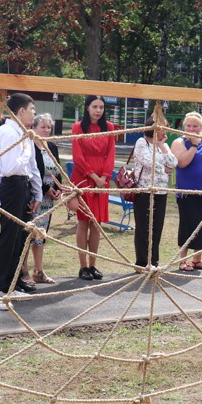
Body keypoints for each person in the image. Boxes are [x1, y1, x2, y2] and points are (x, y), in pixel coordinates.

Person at [0, 94, 41, 308]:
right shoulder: (7, 132)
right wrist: (26, 151)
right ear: (21, 111)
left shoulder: (24, 133)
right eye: (32, 109)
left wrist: (37, 194)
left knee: (20, 239)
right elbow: (8, 168)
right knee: (8, 239)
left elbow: (31, 167)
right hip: (12, 185)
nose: (34, 113)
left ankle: (9, 286)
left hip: (23, 185)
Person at [71, 96, 117, 280]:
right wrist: (93, 176)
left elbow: (111, 154)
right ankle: (83, 267)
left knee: (96, 224)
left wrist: (104, 177)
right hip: (83, 178)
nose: (98, 110)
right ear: (87, 108)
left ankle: (93, 265)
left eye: (101, 107)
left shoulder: (110, 128)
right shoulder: (77, 127)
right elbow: (77, 156)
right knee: (83, 222)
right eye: (94, 106)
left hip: (102, 180)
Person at [131, 115, 178, 269]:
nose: (166, 132)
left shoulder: (161, 145)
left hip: (161, 192)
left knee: (157, 227)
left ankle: (154, 261)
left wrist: (163, 146)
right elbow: (147, 161)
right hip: (144, 191)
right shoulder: (141, 143)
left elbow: (173, 162)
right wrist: (164, 169)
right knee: (144, 227)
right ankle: (142, 262)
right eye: (163, 128)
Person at [172, 111, 202, 271]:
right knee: (187, 225)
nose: (191, 129)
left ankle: (198, 259)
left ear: (201, 127)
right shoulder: (178, 142)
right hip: (187, 193)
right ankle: (183, 260)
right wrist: (194, 145)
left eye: (195, 126)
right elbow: (182, 162)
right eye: (188, 126)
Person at [27, 113, 63, 284]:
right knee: (28, 234)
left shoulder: (52, 147)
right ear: (33, 128)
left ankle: (39, 271)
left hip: (48, 200)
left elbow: (58, 172)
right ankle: (23, 271)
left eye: (49, 127)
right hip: (34, 196)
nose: (47, 130)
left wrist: (57, 190)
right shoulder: (29, 146)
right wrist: (46, 189)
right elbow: (31, 174)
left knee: (41, 235)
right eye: (43, 127)